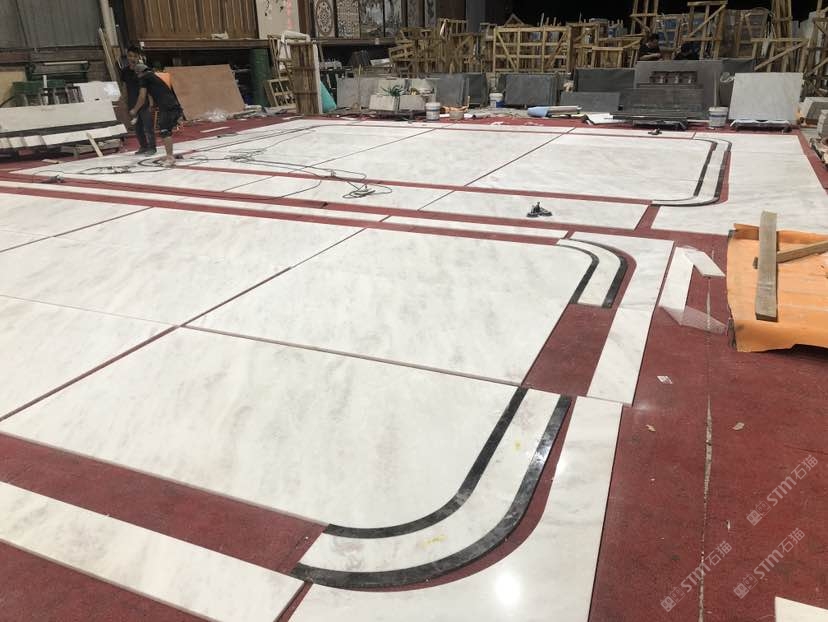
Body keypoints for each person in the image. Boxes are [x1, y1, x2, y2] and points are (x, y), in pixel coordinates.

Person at [129, 63, 183, 167]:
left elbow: (142, 97)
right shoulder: (153, 76)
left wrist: (135, 110)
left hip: (167, 107)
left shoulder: (144, 78)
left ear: (139, 73)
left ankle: (170, 157)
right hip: (173, 105)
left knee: (165, 131)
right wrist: (152, 105)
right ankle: (169, 154)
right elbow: (153, 93)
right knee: (166, 130)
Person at [120, 46, 156, 156]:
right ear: (127, 57)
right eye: (130, 56)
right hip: (132, 102)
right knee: (137, 127)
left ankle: (152, 147)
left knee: (148, 126)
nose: (133, 58)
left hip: (144, 103)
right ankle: (143, 146)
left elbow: (150, 87)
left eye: (135, 56)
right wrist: (124, 101)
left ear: (138, 57)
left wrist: (151, 102)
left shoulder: (144, 69)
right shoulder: (124, 71)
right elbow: (125, 87)